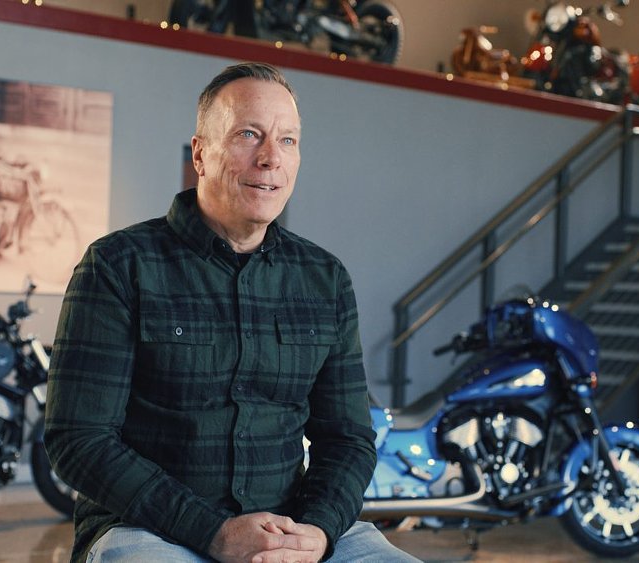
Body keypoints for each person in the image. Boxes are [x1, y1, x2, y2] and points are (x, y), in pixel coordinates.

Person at [44, 62, 421, 563]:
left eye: (287, 141)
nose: (270, 158)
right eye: (249, 134)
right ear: (200, 154)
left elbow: (348, 438)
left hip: (293, 525)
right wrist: (214, 532)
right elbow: (79, 440)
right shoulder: (118, 265)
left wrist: (318, 532)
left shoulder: (324, 278)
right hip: (151, 530)